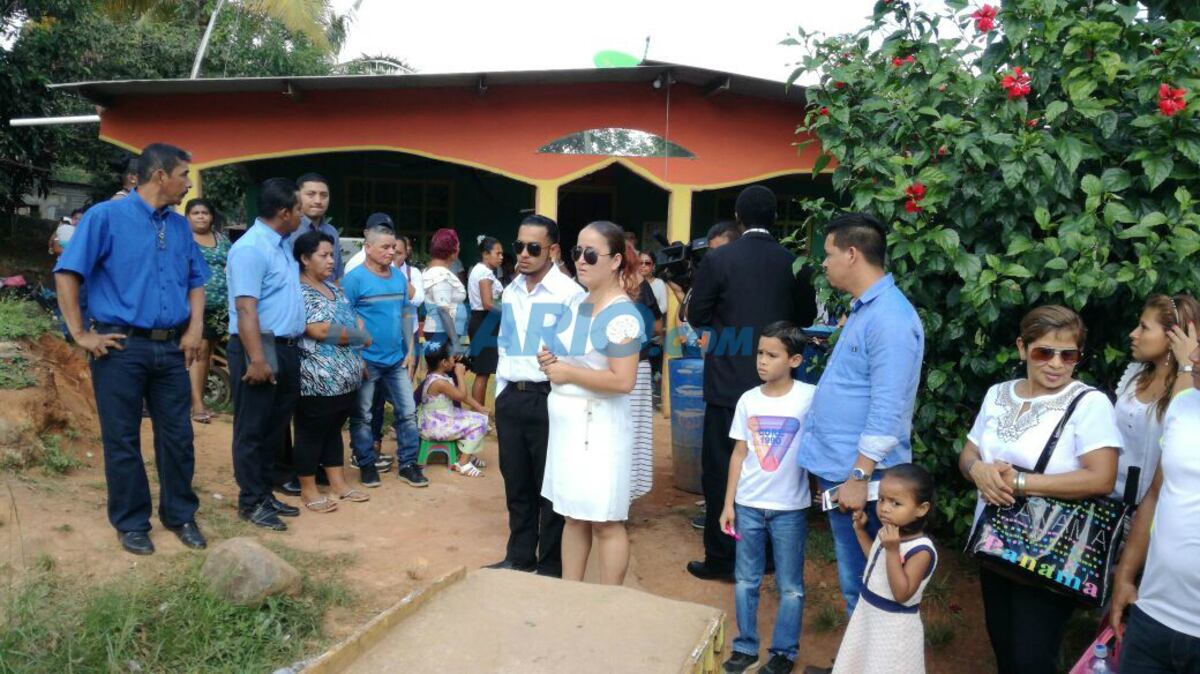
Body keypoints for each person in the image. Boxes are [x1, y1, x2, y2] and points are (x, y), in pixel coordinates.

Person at [54, 143, 209, 555]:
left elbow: (196, 280)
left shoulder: (178, 227)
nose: (188, 184)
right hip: (120, 347)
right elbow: (67, 274)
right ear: (159, 175)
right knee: (122, 439)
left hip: (171, 348)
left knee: (178, 437)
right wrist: (80, 334)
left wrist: (194, 329)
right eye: (183, 176)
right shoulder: (106, 217)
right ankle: (131, 522)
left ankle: (180, 515)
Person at [957, 305, 1120, 674]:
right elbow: (969, 451)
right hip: (994, 542)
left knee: (1033, 658)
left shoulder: (1088, 403)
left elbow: (1101, 478)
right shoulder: (998, 394)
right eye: (1044, 351)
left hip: (1049, 549)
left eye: (1069, 354)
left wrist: (1020, 482)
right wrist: (978, 470)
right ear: (1022, 348)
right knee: (1003, 645)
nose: (1057, 364)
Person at [685, 186, 818, 581]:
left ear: (739, 218)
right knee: (777, 468)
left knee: (720, 468)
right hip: (780, 387)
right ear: (775, 219)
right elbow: (806, 314)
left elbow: (698, 312)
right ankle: (771, 558)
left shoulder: (719, 259)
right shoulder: (794, 263)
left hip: (728, 382)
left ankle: (722, 558)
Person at [794, 212, 923, 611]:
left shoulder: (890, 320)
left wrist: (857, 475)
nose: (825, 263)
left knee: (869, 587)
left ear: (852, 254)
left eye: (829, 254)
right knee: (857, 582)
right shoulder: (864, 310)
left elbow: (888, 408)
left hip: (867, 480)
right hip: (846, 472)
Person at [538, 220, 644, 585]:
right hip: (570, 427)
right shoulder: (582, 303)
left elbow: (623, 380)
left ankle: (609, 600)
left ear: (615, 261)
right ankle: (571, 593)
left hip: (600, 429)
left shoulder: (623, 314)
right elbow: (579, 359)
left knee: (605, 520)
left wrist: (568, 373)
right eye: (576, 252)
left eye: (590, 254)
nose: (580, 260)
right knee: (572, 515)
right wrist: (552, 362)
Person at [487, 214, 585, 575]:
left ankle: (551, 564)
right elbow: (505, 345)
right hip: (512, 396)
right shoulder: (511, 290)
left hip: (550, 398)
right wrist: (500, 394)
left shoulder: (571, 295)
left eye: (533, 248)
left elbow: (575, 353)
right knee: (516, 483)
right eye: (518, 247)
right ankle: (519, 556)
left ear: (554, 251)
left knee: (551, 487)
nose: (523, 255)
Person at [718, 322, 816, 674]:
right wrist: (729, 504)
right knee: (746, 579)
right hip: (748, 506)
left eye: (772, 355)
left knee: (791, 586)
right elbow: (739, 454)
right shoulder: (748, 399)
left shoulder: (809, 397)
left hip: (790, 508)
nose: (762, 360)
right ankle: (745, 648)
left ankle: (784, 653)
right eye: (760, 352)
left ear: (794, 360)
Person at [1110, 338, 1200, 673]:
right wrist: (1126, 578)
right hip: (1151, 619)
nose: (1192, 357)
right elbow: (1156, 494)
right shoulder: (1184, 405)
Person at [226, 177, 308, 531]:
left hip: (286, 347)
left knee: (275, 428)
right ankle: (250, 501)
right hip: (259, 346)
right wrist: (257, 358)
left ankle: (264, 492)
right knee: (253, 428)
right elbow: (246, 308)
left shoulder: (282, 245)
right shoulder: (251, 248)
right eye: (299, 209)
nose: (303, 216)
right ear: (283, 212)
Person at [827, 464, 937, 674]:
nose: (885, 508)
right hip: (869, 614)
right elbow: (876, 562)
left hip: (893, 627)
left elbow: (902, 593)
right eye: (881, 499)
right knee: (862, 663)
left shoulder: (921, 550)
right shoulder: (889, 533)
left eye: (896, 503)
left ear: (921, 509)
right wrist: (860, 531)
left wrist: (893, 550)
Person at [292, 230, 372, 513]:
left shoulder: (334, 288)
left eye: (332, 254)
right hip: (317, 379)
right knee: (311, 432)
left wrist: (358, 353)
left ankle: (338, 484)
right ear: (304, 258)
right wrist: (358, 336)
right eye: (323, 255)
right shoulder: (300, 290)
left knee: (334, 430)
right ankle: (308, 489)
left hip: (345, 377)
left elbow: (351, 319)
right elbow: (319, 329)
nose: (330, 260)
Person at [342, 218, 425, 488]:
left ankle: (408, 464)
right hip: (366, 360)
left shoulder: (398, 278)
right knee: (363, 415)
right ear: (368, 248)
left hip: (396, 360)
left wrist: (411, 350)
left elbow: (405, 313)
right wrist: (355, 357)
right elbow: (343, 319)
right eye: (386, 247)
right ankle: (366, 464)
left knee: (408, 412)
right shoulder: (353, 281)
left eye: (394, 248)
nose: (391, 252)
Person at [1113, 294, 1199, 504]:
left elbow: (1180, 428)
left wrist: (1186, 366)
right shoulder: (1133, 376)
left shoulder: (1192, 386)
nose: (1134, 334)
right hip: (1108, 502)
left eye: (1144, 327)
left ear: (1174, 337)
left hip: (1155, 509)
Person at [186, 198, 230, 424]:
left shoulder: (222, 240)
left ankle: (198, 401)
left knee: (208, 354)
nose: (201, 216)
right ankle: (197, 406)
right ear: (187, 217)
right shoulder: (184, 240)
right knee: (199, 353)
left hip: (220, 309)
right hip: (196, 306)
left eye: (205, 212)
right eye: (196, 213)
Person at [418, 340, 491, 477]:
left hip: (442, 419)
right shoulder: (439, 382)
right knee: (480, 422)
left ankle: (466, 452)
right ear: (444, 363)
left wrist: (479, 407)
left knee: (480, 418)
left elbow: (462, 396)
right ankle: (463, 462)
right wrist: (459, 375)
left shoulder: (441, 376)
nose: (456, 359)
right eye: (452, 357)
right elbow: (461, 395)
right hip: (436, 427)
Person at [630, 265, 663, 501]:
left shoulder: (594, 285)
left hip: (603, 371)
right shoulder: (640, 283)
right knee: (634, 435)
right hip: (638, 366)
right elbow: (658, 327)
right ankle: (624, 500)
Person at [284, 173, 342, 281]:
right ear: (297, 196)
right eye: (311, 194)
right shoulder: (289, 231)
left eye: (324, 195)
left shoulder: (332, 232)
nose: (318, 201)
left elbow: (336, 276)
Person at [468, 235, 504, 407]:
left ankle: (478, 413)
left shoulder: (479, 270)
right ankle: (478, 413)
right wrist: (509, 313)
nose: (501, 257)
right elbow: (488, 303)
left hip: (480, 320)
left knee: (483, 371)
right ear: (485, 254)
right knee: (482, 372)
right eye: (497, 253)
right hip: (484, 321)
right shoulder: (484, 273)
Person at [423, 228, 468, 353]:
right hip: (442, 334)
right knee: (443, 371)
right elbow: (442, 309)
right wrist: (455, 343)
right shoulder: (440, 275)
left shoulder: (433, 271)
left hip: (442, 333)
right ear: (451, 251)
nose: (459, 250)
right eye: (457, 246)